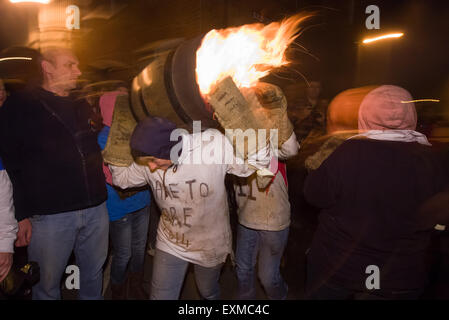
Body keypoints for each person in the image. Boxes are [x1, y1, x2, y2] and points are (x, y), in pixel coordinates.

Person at [109, 116, 281, 300]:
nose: (150, 167)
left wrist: (257, 138)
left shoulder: (212, 145)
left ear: (168, 150)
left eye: (153, 159)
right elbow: (123, 180)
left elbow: (252, 166)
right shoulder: (147, 162)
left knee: (208, 291)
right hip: (171, 242)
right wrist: (115, 148)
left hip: (210, 245)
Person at [303, 85, 447, 299]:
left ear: (365, 114)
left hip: (339, 267)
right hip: (399, 276)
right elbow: (439, 218)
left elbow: (314, 195)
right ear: (411, 116)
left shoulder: (348, 152)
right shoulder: (432, 160)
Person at [0, 47, 108, 300]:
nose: (78, 71)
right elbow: (11, 162)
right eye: (70, 65)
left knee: (92, 276)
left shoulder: (81, 102)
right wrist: (22, 215)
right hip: (50, 216)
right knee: (46, 286)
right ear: (47, 67)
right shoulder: (21, 105)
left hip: (95, 208)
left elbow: (91, 145)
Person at [97, 91, 150, 299]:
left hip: (142, 201)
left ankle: (136, 286)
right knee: (124, 254)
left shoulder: (138, 132)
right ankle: (118, 290)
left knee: (139, 251)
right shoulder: (104, 137)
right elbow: (115, 176)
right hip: (118, 206)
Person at [232, 134, 299, 300]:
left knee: (268, 277)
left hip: (274, 223)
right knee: (242, 270)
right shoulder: (232, 147)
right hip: (246, 219)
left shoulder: (273, 146)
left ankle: (280, 296)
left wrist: (278, 117)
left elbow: (291, 149)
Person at [0, 79, 17, 285]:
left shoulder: (13, 119)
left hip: (13, 206)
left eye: (2, 88)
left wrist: (5, 243)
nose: (0, 93)